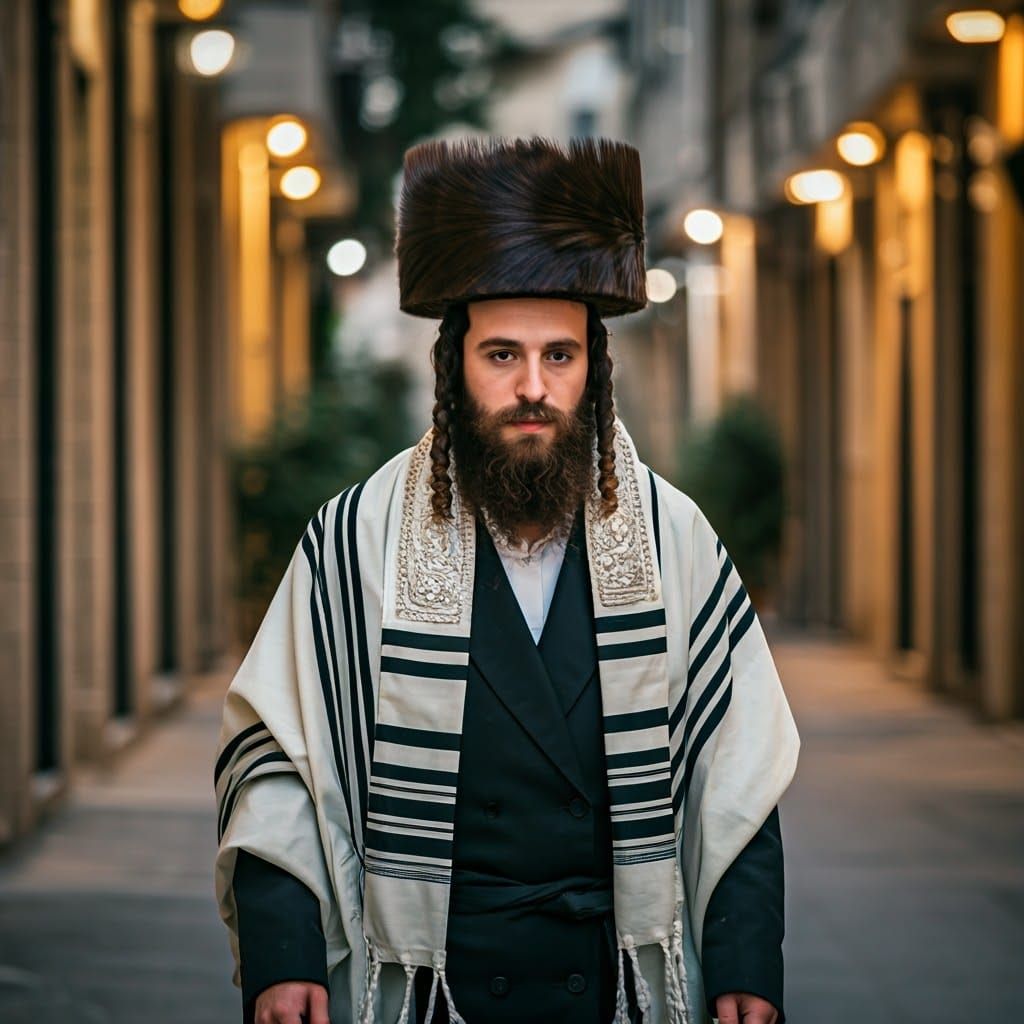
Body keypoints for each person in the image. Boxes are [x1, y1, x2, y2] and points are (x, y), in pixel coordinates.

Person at [214, 136, 800, 1024]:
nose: (533, 387)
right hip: (434, 991)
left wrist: (746, 963)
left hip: (608, 988)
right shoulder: (353, 537)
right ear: (455, 366)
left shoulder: (673, 536)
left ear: (593, 370)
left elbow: (738, 774)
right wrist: (283, 949)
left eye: (558, 357)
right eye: (503, 356)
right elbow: (279, 761)